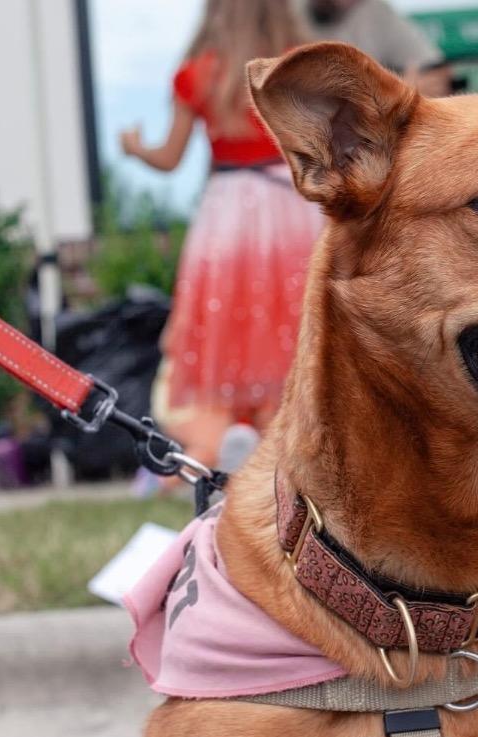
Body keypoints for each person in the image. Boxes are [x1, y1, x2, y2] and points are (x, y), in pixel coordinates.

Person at [120, 0, 324, 472]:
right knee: (288, 319)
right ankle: (284, 442)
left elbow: (168, 159)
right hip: (288, 200)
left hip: (228, 206)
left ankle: (233, 437)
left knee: (229, 322)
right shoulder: (295, 66)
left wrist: (134, 149)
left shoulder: (197, 75)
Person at [301, 0, 451, 96]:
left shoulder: (372, 10)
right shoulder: (282, 12)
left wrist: (399, 94)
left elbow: (435, 73)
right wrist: (390, 96)